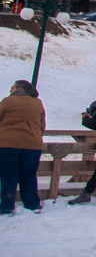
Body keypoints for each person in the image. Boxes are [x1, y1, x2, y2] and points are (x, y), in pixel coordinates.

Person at [0, 80, 45, 215]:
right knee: (29, 175)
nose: (10, 90)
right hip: (33, 145)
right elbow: (42, 125)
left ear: (19, 89)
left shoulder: (8, 101)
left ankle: (7, 207)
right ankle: (33, 205)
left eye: (12, 87)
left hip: (8, 144)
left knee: (9, 175)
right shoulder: (37, 103)